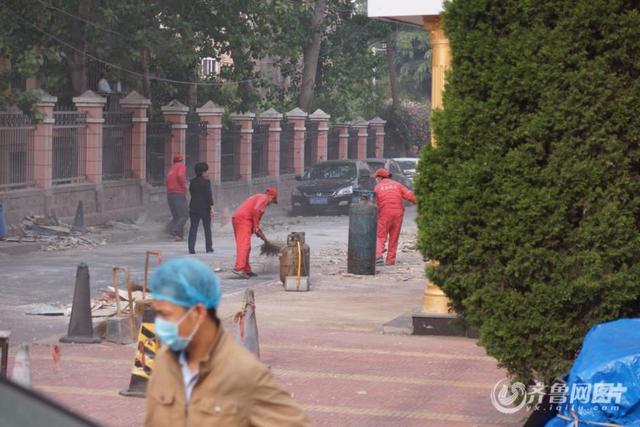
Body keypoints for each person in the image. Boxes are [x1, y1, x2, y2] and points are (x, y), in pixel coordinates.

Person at [145, 258, 311, 427]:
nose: (160, 323)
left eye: (166, 315)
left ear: (198, 312)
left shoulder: (243, 372)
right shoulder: (164, 361)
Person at [231, 188, 278, 279]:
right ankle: (239, 268)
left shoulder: (258, 198)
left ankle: (246, 269)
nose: (270, 204)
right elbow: (256, 210)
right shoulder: (264, 198)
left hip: (243, 219)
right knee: (244, 245)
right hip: (243, 220)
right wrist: (256, 226)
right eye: (272, 201)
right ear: (271, 196)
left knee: (246, 246)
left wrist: (261, 235)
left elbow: (254, 216)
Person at [373, 168, 416, 265]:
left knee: (380, 236)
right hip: (398, 214)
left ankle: (378, 256)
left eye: (376, 177)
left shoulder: (377, 187)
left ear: (380, 177)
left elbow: (374, 203)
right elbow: (410, 196)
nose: (375, 179)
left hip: (384, 213)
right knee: (394, 237)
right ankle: (390, 261)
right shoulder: (397, 185)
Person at [188, 162, 214, 254]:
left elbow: (191, 192)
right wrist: (211, 207)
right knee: (207, 228)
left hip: (193, 207)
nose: (207, 173)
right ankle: (208, 247)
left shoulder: (192, 182)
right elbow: (208, 195)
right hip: (204, 208)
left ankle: (191, 248)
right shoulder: (206, 182)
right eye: (206, 171)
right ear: (203, 172)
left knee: (193, 227)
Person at [166, 154, 189, 241]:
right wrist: (185, 186)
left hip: (170, 194)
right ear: (181, 161)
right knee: (184, 215)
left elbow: (167, 181)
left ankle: (179, 236)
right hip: (178, 194)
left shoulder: (171, 169)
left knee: (177, 216)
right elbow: (180, 175)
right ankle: (174, 230)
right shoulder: (181, 166)